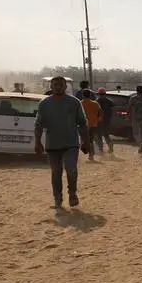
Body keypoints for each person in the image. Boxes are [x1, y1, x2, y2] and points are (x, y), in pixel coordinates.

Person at [33, 76, 89, 209]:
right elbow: (38, 124)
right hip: (52, 144)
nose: (58, 87)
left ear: (65, 87)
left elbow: (82, 123)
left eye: (60, 85)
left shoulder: (74, 102)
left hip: (71, 144)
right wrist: (37, 142)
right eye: (55, 85)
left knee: (71, 168)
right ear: (51, 87)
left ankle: (72, 193)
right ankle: (57, 197)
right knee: (56, 172)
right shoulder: (44, 104)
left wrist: (86, 141)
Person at [80, 90, 103, 162]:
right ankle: (91, 155)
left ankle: (89, 154)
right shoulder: (95, 103)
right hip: (93, 124)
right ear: (90, 95)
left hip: (83, 125)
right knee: (90, 140)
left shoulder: (80, 103)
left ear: (83, 95)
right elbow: (101, 112)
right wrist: (99, 119)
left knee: (83, 140)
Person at [95, 88, 116, 155]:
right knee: (106, 134)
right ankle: (110, 146)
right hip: (107, 120)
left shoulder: (96, 101)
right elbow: (113, 109)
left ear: (98, 94)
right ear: (105, 94)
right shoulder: (110, 101)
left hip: (99, 121)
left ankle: (101, 149)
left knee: (99, 135)